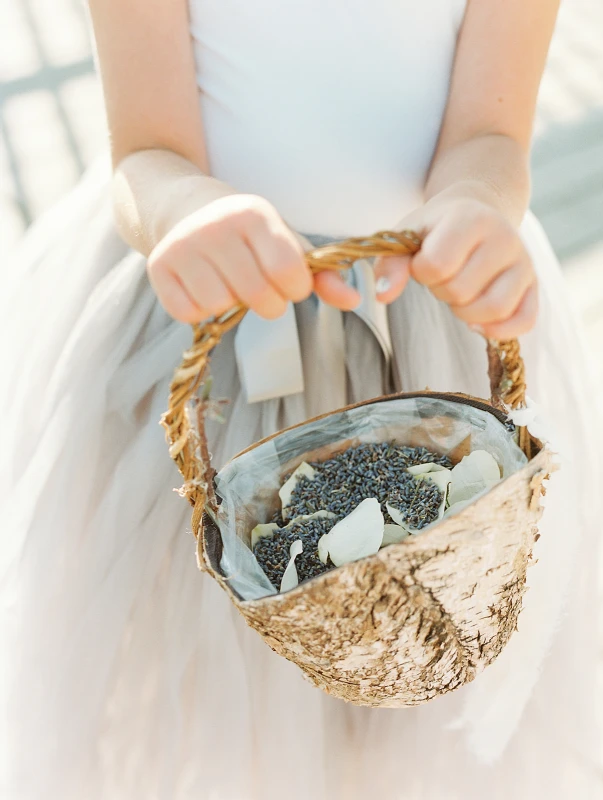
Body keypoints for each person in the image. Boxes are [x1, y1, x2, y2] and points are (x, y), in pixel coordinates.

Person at [2, 0, 602, 797]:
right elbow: (146, 152)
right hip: (211, 316)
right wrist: (186, 208)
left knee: (420, 651)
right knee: (208, 671)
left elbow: (488, 139)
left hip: (422, 317)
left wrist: (478, 206)